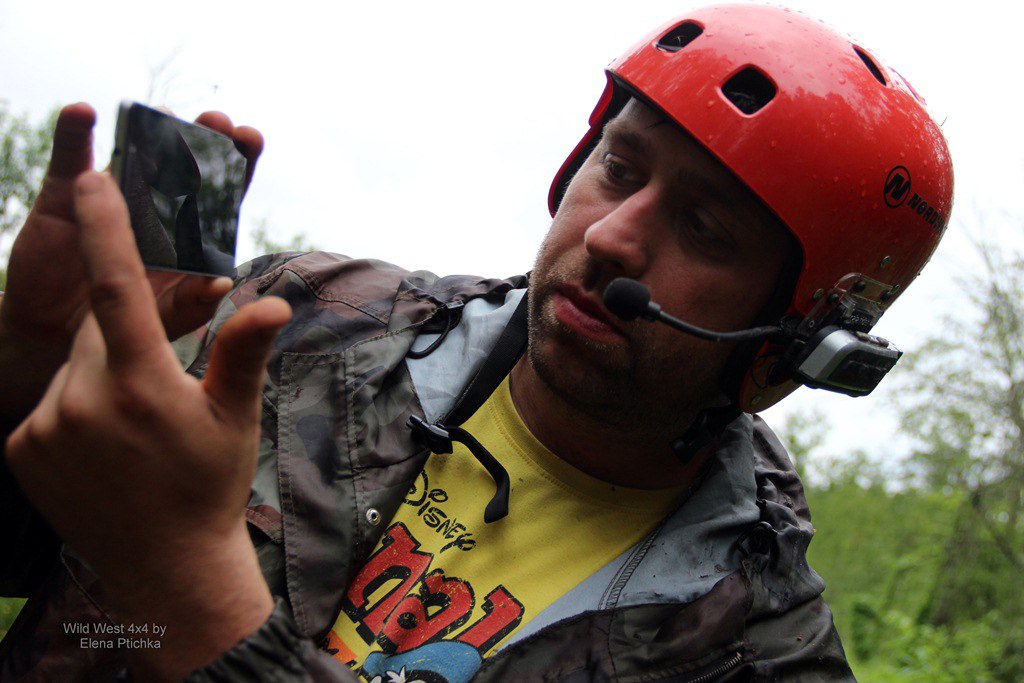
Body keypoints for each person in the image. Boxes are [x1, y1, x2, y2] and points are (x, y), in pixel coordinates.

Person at [0, 5, 953, 682]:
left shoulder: (754, 652)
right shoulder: (298, 319)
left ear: (794, 340)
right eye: (620, 168)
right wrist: (28, 368)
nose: (612, 236)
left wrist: (193, 593)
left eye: (705, 228)